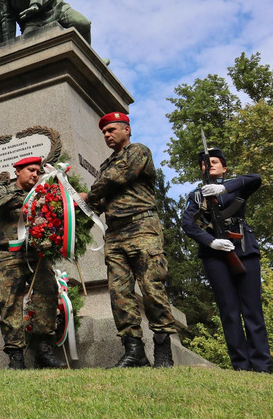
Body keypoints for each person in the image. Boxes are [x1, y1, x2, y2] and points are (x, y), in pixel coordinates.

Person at [80, 112, 177, 368]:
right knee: (119, 294)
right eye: (103, 132)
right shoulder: (104, 166)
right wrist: (75, 202)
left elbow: (117, 178)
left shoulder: (138, 152)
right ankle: (134, 351)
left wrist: (89, 195)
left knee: (152, 288)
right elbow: (99, 202)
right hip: (114, 234)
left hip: (142, 227)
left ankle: (163, 353)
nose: (106, 134)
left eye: (111, 129)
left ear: (127, 130)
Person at [182, 147, 271, 372]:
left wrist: (224, 186)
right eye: (205, 162)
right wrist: (210, 241)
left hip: (244, 249)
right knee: (229, 311)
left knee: (253, 310)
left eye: (214, 161)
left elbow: (256, 178)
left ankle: (261, 366)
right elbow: (188, 224)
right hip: (215, 255)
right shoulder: (196, 195)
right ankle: (241, 366)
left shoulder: (234, 184)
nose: (209, 164)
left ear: (224, 167)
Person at [0, 156, 67, 370]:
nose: (35, 174)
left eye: (38, 172)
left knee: (47, 293)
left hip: (38, 254)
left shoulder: (44, 192)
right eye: (30, 170)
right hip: (9, 254)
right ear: (17, 171)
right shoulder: (2, 190)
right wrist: (30, 198)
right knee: (9, 301)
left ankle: (44, 350)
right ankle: (16, 357)